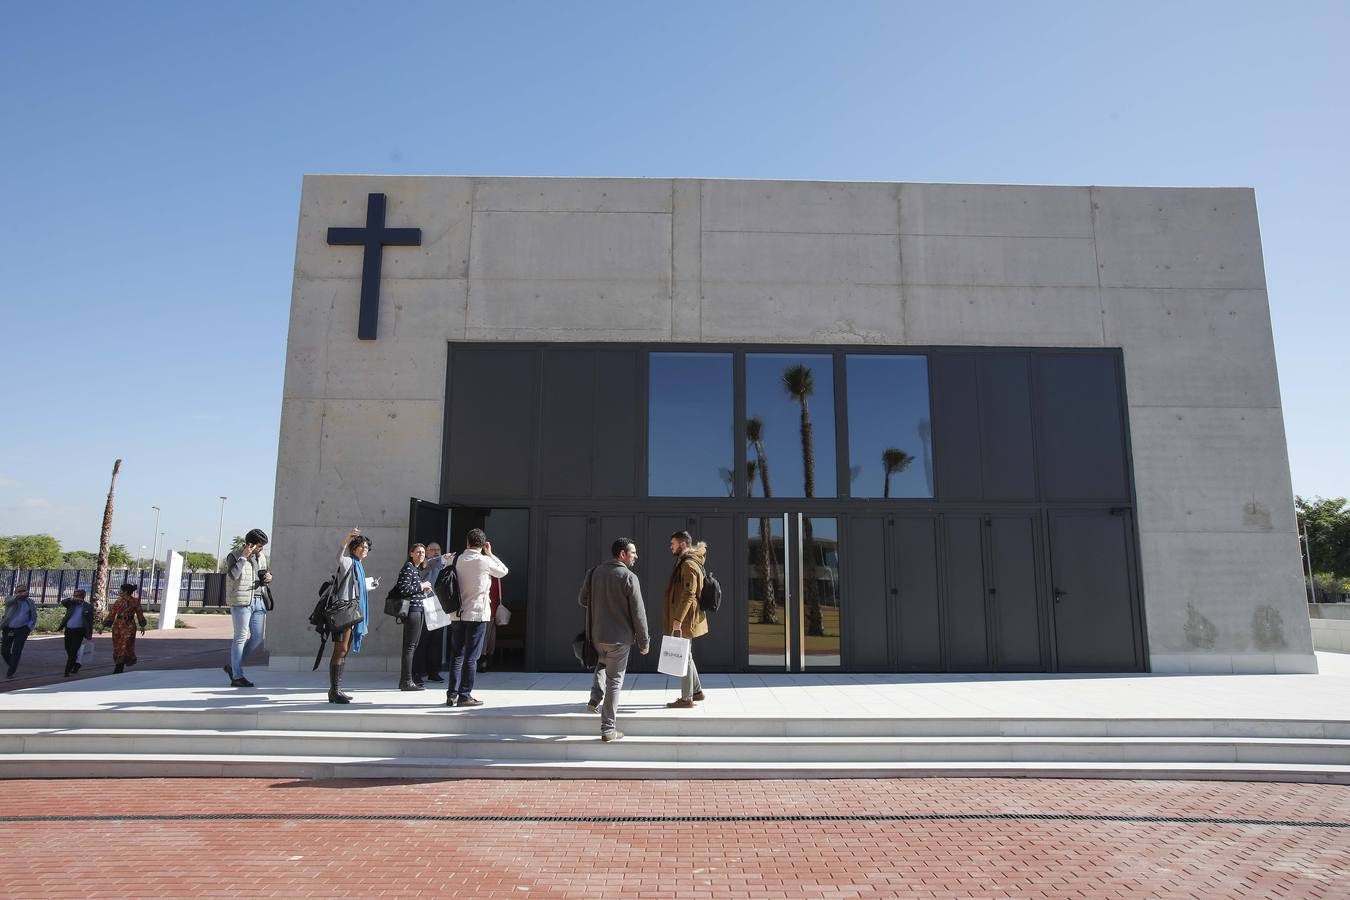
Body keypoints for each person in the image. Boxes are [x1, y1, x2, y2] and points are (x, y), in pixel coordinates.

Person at [579, 538, 650, 742]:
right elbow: (639, 613)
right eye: (633, 553)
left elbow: (582, 600)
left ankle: (594, 698)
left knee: (602, 663)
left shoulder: (593, 573)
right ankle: (608, 728)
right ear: (622, 554)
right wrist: (644, 641)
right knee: (614, 681)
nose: (636, 556)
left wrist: (601, 604)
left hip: (596, 635)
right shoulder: (629, 577)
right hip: (619, 639)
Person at [445, 528, 508, 708]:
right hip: (478, 613)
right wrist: (490, 553)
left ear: (467, 542)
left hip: (456, 613)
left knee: (457, 655)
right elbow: (503, 571)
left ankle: (452, 694)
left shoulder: (455, 558)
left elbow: (441, 564)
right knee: (471, 657)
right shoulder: (484, 561)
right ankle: (465, 695)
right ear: (483, 544)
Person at [327, 528, 375, 704]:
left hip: (352, 611)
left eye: (366, 547)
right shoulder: (348, 561)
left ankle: (337, 689)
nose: (364, 549)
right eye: (361, 546)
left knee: (344, 650)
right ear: (353, 548)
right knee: (341, 649)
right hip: (344, 611)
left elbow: (355, 588)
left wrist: (368, 585)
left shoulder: (359, 565)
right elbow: (338, 557)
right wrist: (346, 539)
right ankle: (334, 691)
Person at [663, 530, 709, 708]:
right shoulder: (687, 562)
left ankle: (686, 698)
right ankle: (696, 691)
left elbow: (689, 594)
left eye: (673, 544)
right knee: (686, 654)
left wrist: (678, 619)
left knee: (684, 656)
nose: (671, 547)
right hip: (687, 616)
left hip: (686, 617)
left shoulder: (688, 564)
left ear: (682, 544)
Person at [222, 528, 272, 688]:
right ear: (250, 544)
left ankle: (234, 666)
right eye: (259, 545)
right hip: (242, 602)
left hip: (259, 600)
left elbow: (263, 575)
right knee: (241, 637)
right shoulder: (235, 555)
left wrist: (269, 577)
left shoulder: (261, 557)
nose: (262, 549)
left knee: (257, 638)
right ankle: (237, 676)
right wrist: (244, 556)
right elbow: (233, 575)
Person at [392, 543, 434, 691]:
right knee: (410, 646)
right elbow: (404, 589)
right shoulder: (408, 568)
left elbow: (412, 590)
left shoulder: (415, 569)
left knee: (412, 646)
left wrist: (423, 589)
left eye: (423, 552)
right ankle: (406, 681)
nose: (421, 554)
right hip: (412, 610)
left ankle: (406, 680)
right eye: (418, 552)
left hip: (417, 609)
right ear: (411, 553)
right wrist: (422, 586)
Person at [413, 541, 447, 684]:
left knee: (436, 640)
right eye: (432, 549)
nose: (436, 551)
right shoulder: (424, 564)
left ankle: (434, 672)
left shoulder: (442, 565)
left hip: (438, 604)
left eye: (438, 549)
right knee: (422, 640)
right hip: (423, 604)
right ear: (426, 552)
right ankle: (418, 673)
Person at [103, 583, 146, 675]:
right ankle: (119, 664)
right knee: (117, 645)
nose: (119, 592)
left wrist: (142, 625)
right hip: (118, 625)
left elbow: (139, 613)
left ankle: (119, 667)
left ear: (126, 591)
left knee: (125, 645)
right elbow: (112, 614)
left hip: (129, 625)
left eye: (121, 590)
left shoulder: (135, 601)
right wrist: (104, 626)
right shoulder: (118, 601)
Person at [1, 585, 38, 679]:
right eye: (20, 591)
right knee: (4, 651)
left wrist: (29, 626)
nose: (23, 592)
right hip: (9, 628)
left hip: (22, 629)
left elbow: (33, 615)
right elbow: (8, 601)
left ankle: (11, 671)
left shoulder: (30, 602)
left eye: (25, 590)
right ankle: (12, 664)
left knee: (16, 650)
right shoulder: (11, 599)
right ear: (16, 592)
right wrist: (18, 595)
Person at [59, 589, 95, 677]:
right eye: (75, 596)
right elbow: (63, 602)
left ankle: (67, 670)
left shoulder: (88, 607)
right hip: (69, 630)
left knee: (74, 650)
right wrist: (72, 599)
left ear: (83, 597)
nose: (77, 598)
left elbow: (90, 621)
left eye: (78, 596)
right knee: (68, 648)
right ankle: (76, 663)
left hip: (79, 631)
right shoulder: (71, 604)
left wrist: (89, 634)